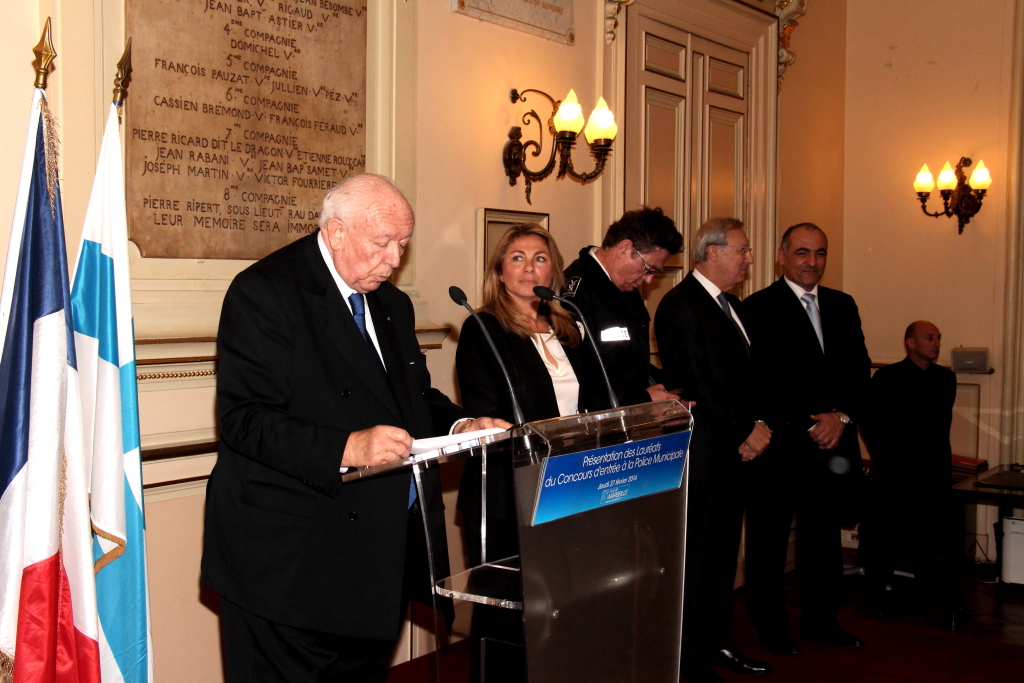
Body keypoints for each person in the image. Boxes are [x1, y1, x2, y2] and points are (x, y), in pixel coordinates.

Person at [201, 173, 510, 683]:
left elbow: (412, 399)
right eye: (382, 243)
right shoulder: (266, 292)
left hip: (375, 561)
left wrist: (460, 422)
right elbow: (245, 420)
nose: (394, 259)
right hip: (286, 563)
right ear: (336, 231)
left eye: (403, 244)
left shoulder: (393, 305)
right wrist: (347, 445)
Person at [454, 224, 612, 680]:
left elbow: (598, 405)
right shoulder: (482, 328)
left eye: (539, 258)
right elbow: (485, 409)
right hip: (509, 493)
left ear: (553, 270)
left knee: (560, 606)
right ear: (500, 272)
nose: (529, 267)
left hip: (571, 487)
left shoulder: (570, 327)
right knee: (506, 615)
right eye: (517, 258)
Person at [742, 223, 871, 654]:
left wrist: (840, 417)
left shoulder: (843, 304)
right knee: (769, 542)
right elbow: (762, 384)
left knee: (821, 540)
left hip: (833, 446)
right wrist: (812, 422)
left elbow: (858, 371)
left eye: (820, 253)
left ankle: (822, 620)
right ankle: (771, 627)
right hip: (780, 446)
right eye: (802, 252)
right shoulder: (757, 308)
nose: (811, 262)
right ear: (781, 255)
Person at [655, 218, 772, 683]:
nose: (748, 258)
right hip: (703, 455)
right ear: (713, 252)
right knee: (697, 562)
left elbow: (749, 377)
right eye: (741, 250)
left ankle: (720, 641)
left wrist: (758, 423)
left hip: (733, 452)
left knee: (724, 559)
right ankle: (688, 659)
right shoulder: (679, 304)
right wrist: (744, 430)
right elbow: (697, 380)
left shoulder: (732, 306)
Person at [860, 321, 956, 601]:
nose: (936, 343)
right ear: (910, 343)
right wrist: (883, 455)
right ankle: (877, 589)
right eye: (929, 337)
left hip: (933, 468)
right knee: (887, 530)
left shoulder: (945, 379)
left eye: (938, 337)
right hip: (896, 468)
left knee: (931, 529)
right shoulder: (887, 378)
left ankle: (929, 589)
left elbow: (938, 425)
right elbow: (870, 420)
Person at [561, 207, 683, 406]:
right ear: (625, 248)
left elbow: (629, 360)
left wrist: (662, 389)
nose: (649, 280)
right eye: (648, 268)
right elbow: (578, 383)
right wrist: (643, 398)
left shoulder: (624, 285)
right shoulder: (576, 294)